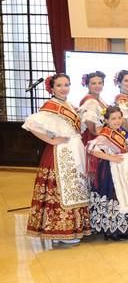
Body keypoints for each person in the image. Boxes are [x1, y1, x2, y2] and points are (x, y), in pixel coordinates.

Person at [23, 74, 91, 244]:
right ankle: (60, 229)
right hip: (61, 152)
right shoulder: (51, 105)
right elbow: (32, 125)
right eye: (59, 85)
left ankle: (75, 228)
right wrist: (52, 140)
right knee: (62, 188)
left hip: (75, 148)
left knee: (76, 186)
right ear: (52, 89)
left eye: (66, 84)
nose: (64, 88)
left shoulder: (67, 104)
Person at [86, 105, 128, 241]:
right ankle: (112, 229)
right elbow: (90, 148)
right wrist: (110, 157)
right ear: (106, 120)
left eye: (119, 118)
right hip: (111, 169)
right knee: (115, 195)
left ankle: (124, 226)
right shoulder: (105, 134)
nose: (117, 121)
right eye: (113, 118)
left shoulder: (118, 132)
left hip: (124, 167)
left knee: (127, 194)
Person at [78, 71, 108, 145]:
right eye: (93, 83)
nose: (97, 86)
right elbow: (89, 120)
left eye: (100, 83)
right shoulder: (91, 101)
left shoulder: (99, 98)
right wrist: (96, 133)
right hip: (92, 138)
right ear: (87, 85)